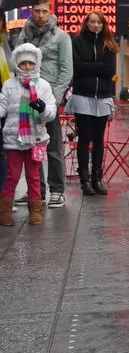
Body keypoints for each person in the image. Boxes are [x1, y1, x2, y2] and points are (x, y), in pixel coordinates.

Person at [17, 0, 72, 208]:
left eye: (44, 11)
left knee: (53, 146)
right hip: (26, 98)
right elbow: (18, 64)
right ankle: (36, 190)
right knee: (31, 145)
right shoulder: (23, 34)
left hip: (48, 98)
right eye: (37, 11)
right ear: (31, 10)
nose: (40, 15)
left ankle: (57, 190)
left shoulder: (61, 37)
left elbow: (66, 71)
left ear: (50, 12)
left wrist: (54, 99)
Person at [0, 44, 57, 227]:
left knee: (33, 176)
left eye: (30, 63)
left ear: (36, 64)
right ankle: (4, 211)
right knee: (12, 176)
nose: (26, 67)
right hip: (13, 139)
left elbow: (51, 113)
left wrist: (42, 108)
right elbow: (2, 108)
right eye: (23, 63)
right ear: (17, 63)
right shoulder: (9, 85)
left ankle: (35, 211)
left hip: (36, 138)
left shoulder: (43, 85)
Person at [70, 11, 118, 197]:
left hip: (103, 97)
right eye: (92, 21)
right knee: (84, 138)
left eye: (99, 22)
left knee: (99, 140)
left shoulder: (109, 44)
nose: (96, 25)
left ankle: (97, 177)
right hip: (83, 96)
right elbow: (77, 68)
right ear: (86, 23)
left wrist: (90, 66)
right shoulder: (77, 41)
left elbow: (110, 71)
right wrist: (98, 67)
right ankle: (85, 180)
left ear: (103, 24)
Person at [0, 10, 12, 193]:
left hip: (3, 101)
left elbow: (9, 73)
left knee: (2, 150)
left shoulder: (4, 45)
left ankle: (3, 194)